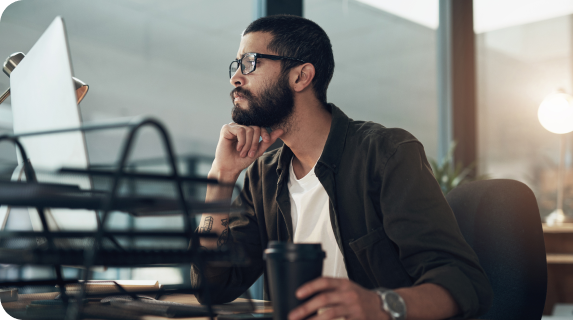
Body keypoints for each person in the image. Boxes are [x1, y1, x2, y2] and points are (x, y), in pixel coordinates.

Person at [191, 14, 492, 320]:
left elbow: (463, 283)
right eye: (237, 64)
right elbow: (211, 288)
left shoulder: (385, 155)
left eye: (250, 62)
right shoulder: (263, 174)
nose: (236, 78)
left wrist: (380, 305)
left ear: (301, 76)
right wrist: (222, 176)